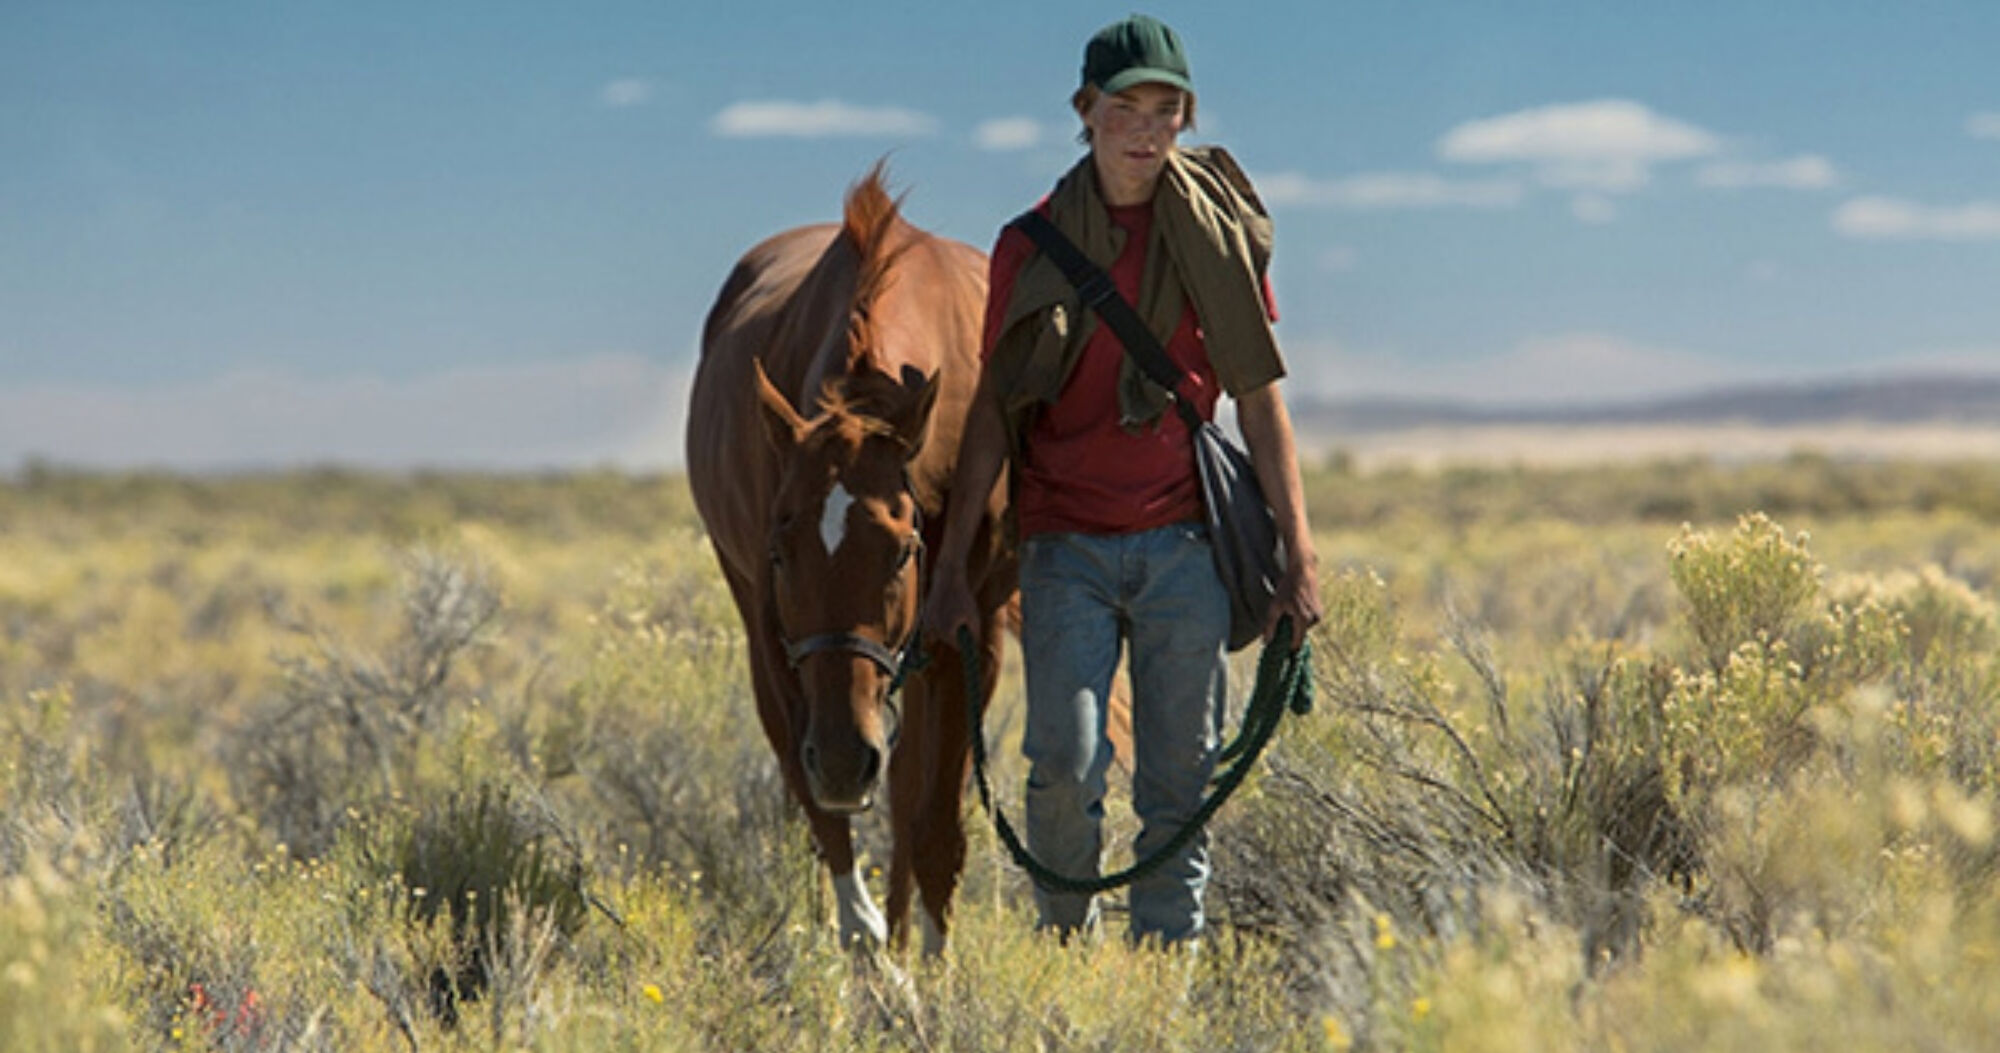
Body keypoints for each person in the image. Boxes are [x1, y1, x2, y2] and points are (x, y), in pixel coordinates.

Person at [923, 13, 1322, 947]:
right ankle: (1066, 951)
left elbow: (1261, 402)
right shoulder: (1031, 246)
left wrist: (1300, 554)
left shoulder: (1214, 236)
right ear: (1084, 112)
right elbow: (992, 414)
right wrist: (949, 571)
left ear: (1184, 117)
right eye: (1124, 108)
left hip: (1187, 542)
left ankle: (1162, 981)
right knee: (1063, 760)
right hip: (1064, 545)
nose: (1146, 129)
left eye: (1165, 109)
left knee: (1180, 777)